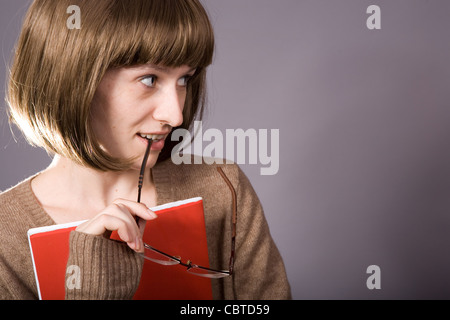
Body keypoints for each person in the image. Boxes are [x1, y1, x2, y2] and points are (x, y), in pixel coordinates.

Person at [0, 0, 291, 299]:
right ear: (71, 76)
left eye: (184, 79)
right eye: (149, 79)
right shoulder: (4, 240)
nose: (175, 116)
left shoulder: (222, 189)